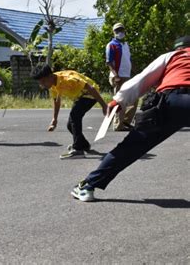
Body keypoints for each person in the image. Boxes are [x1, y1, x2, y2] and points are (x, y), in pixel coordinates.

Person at [72, 36, 190, 202]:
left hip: (170, 102)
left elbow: (143, 79)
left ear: (178, 48)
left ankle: (88, 186)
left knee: (131, 147)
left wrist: (119, 100)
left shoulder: (170, 56)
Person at [32, 65, 107, 159]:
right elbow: (56, 101)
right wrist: (54, 119)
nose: (42, 85)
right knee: (70, 125)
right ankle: (84, 145)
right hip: (79, 97)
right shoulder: (52, 85)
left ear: (50, 76)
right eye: (40, 83)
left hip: (89, 95)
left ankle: (78, 149)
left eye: (43, 82)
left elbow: (91, 88)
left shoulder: (69, 79)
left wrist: (104, 105)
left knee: (74, 116)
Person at [106, 23, 137, 131]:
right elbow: (109, 62)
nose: (120, 32)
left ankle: (125, 122)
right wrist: (116, 75)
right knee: (120, 101)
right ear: (113, 32)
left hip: (127, 76)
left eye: (121, 30)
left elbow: (128, 60)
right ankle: (118, 125)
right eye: (117, 30)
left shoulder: (125, 45)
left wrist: (135, 73)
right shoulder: (111, 45)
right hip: (118, 76)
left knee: (134, 99)